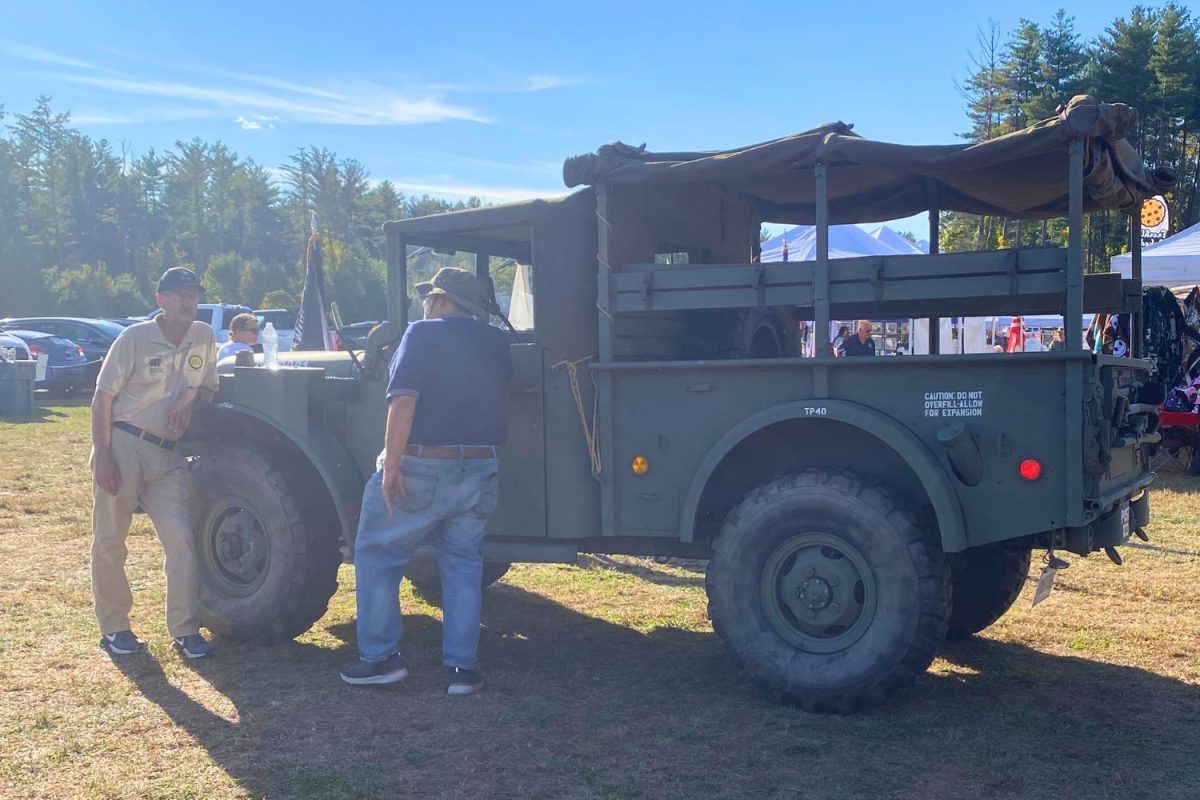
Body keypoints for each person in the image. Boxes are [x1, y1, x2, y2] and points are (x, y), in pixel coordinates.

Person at [341, 267, 512, 695]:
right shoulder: (495, 342)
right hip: (479, 466)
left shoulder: (421, 334)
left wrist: (392, 464)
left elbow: (403, 401)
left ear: (438, 300)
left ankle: (380, 658)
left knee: (378, 555)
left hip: (423, 463)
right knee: (463, 566)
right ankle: (462, 669)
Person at [91, 267, 218, 659]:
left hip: (168, 454)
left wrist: (191, 393)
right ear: (160, 299)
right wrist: (105, 456)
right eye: (180, 295)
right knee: (111, 541)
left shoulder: (203, 336)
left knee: (181, 539)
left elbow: (209, 387)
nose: (188, 302)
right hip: (125, 442)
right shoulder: (135, 338)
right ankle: (114, 628)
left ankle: (183, 629)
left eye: (194, 295)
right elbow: (101, 399)